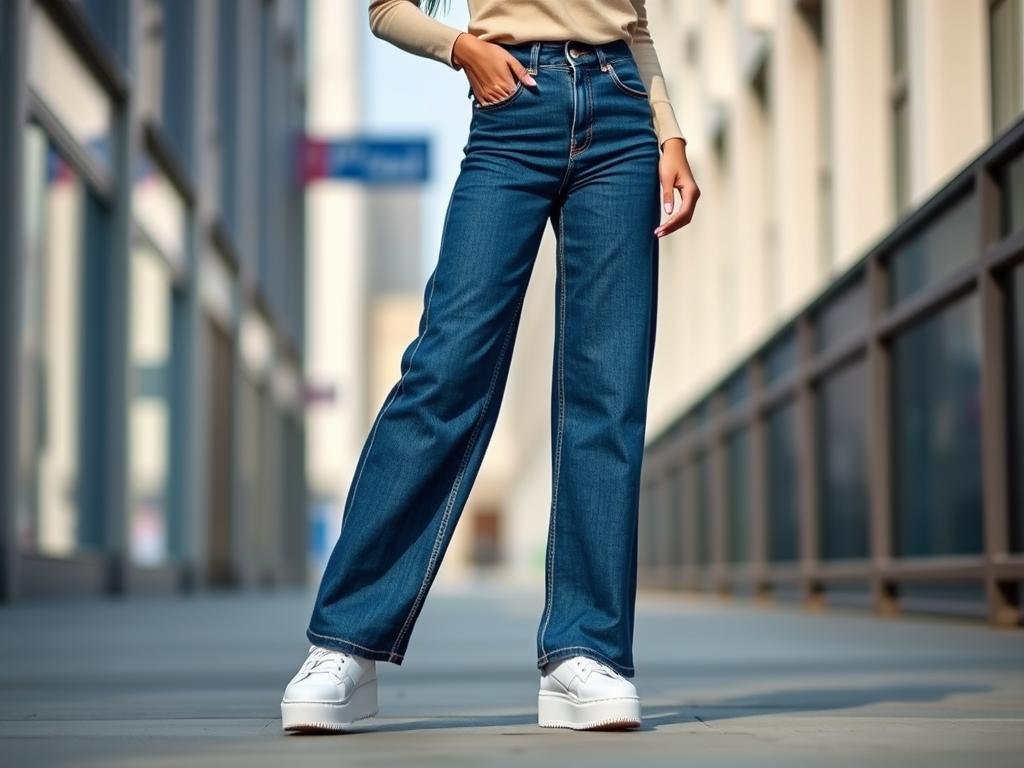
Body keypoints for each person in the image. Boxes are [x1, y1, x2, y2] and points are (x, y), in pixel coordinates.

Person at [281, 0, 700, 733]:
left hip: (623, 121)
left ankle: (585, 652)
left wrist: (670, 134)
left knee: (609, 392)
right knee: (443, 372)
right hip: (513, 113)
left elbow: (633, 27)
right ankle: (344, 643)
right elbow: (385, 10)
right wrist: (461, 49)